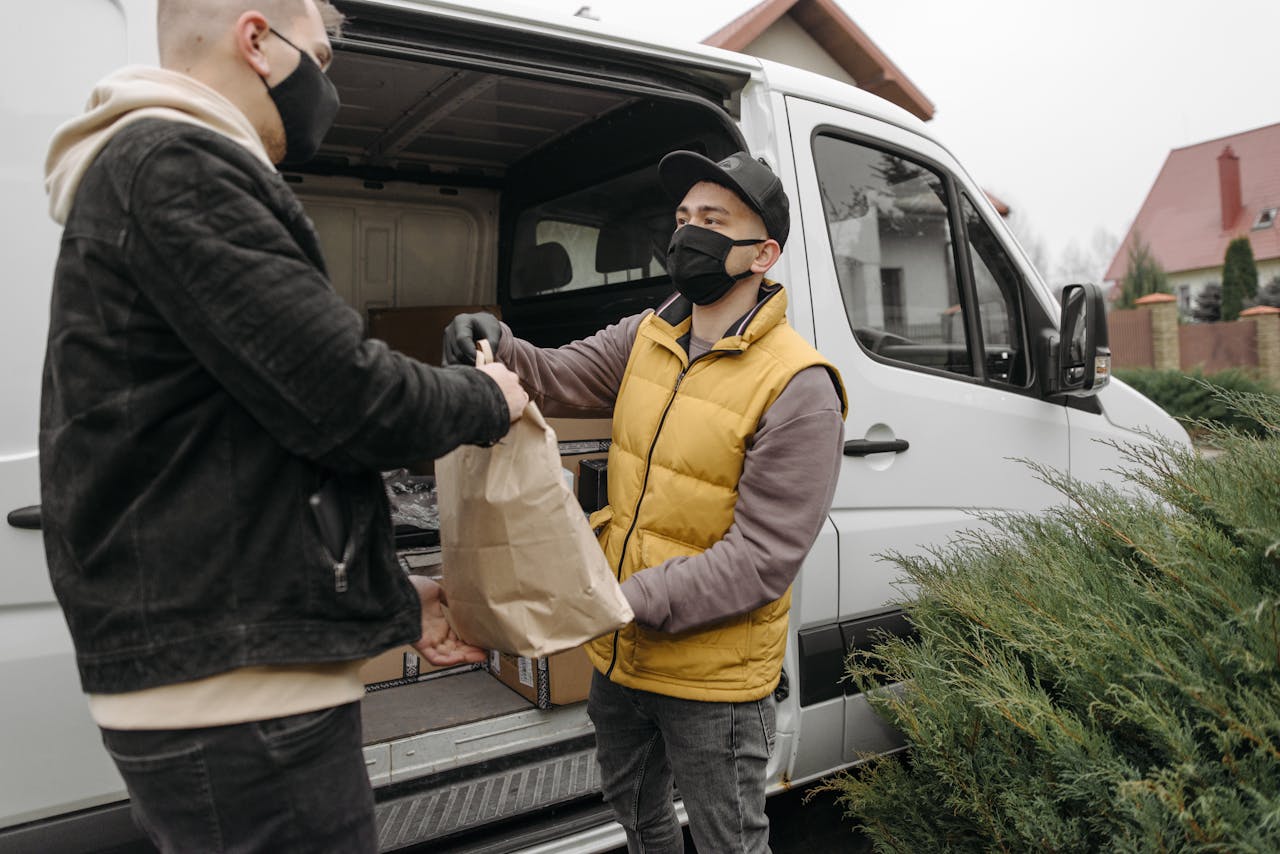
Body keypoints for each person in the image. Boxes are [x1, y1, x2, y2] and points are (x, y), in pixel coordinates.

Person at [40, 1, 529, 850]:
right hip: (239, 697)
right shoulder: (179, 165)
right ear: (257, 39)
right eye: (323, 55)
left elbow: (257, 454)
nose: (325, 81)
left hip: (233, 671)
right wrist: (491, 399)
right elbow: (348, 400)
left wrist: (389, 596)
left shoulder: (158, 168)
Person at [443, 150, 848, 853]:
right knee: (639, 817)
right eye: (684, 218)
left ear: (763, 254)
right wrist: (497, 342)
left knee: (729, 841)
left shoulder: (799, 387)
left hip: (711, 678)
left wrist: (628, 597)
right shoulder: (647, 335)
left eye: (713, 221)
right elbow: (558, 374)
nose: (688, 233)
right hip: (622, 657)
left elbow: (762, 558)